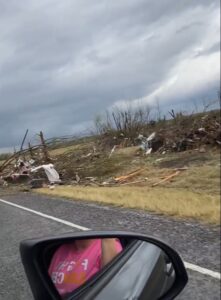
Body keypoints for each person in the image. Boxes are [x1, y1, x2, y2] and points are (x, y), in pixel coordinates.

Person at [48, 238, 122, 297]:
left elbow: (111, 286)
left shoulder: (107, 247)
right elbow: (46, 288)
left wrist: (108, 240)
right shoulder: (62, 250)